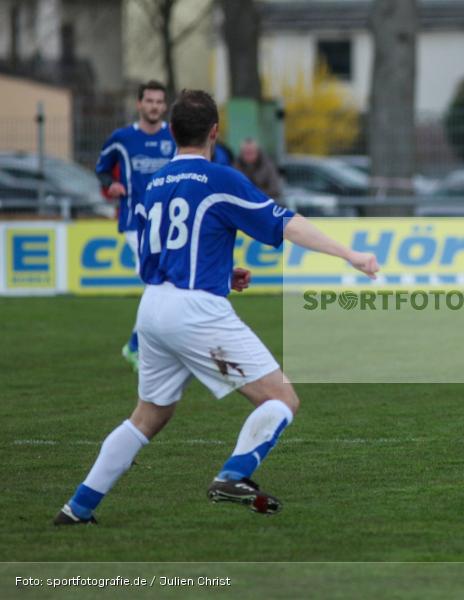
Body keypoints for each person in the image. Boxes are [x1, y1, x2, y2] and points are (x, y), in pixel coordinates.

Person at [54, 90, 380, 525]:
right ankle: (234, 474)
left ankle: (78, 507)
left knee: (148, 416)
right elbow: (285, 223)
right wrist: (349, 254)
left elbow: (155, 261)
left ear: (170, 132)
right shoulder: (219, 178)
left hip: (153, 307)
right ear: (214, 132)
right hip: (196, 312)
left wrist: (221, 274)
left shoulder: (155, 185)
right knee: (282, 399)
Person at [96, 80, 175, 371]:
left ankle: (135, 345)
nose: (154, 106)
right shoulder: (122, 138)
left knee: (160, 285)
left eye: (159, 101)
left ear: (164, 106)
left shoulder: (174, 137)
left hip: (170, 223)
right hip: (135, 223)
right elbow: (101, 169)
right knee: (157, 283)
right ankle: (139, 347)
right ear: (139, 104)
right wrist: (111, 184)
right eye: (149, 101)